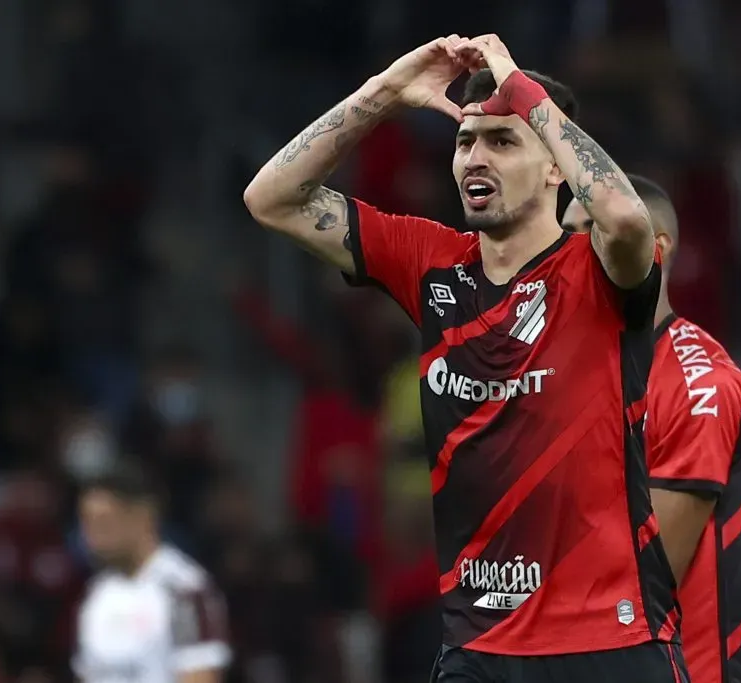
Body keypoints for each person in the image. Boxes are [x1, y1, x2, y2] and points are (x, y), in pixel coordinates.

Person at [245, 33, 686, 683]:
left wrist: (524, 92)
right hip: (480, 648)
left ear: (555, 169)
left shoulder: (597, 270)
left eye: (502, 142)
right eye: (464, 142)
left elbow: (624, 218)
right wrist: (386, 91)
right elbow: (271, 198)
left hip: (609, 642)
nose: (476, 158)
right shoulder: (431, 262)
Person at [564, 181, 741, 683]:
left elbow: (645, 581)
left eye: (592, 230)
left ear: (656, 247)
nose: (568, 251)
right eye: (563, 236)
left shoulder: (699, 382)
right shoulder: (568, 380)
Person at [73, 465, 231, 683]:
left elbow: (200, 674)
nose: (92, 536)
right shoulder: (97, 592)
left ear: (142, 517)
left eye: (103, 521)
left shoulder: (184, 590)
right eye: (87, 523)